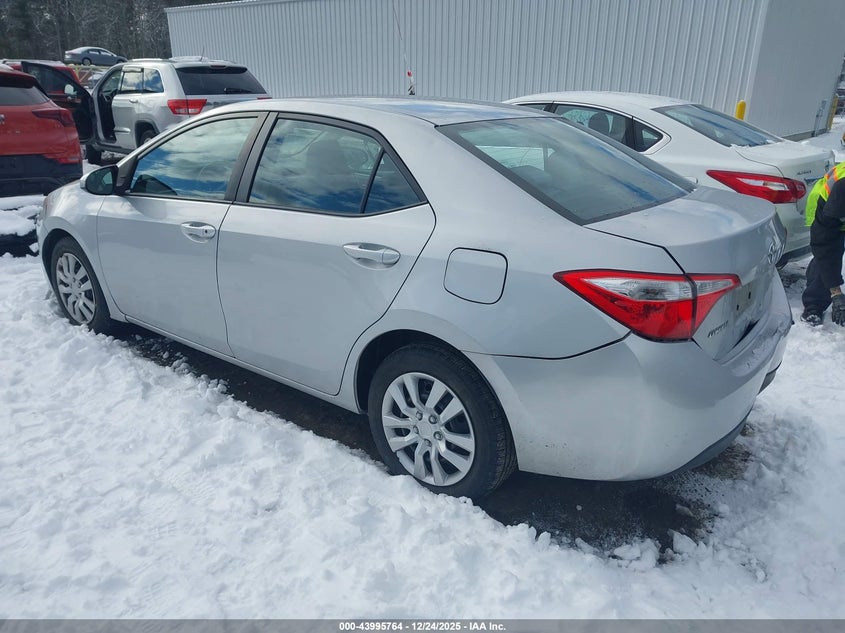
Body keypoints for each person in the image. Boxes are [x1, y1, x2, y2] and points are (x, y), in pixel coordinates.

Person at [801, 161, 845, 326]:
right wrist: (836, 292)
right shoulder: (842, 192)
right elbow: (826, 246)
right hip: (825, 210)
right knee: (827, 259)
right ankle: (814, 305)